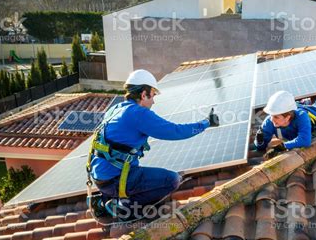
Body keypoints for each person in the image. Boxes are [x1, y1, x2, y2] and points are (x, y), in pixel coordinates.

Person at [87, 69, 219, 218]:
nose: (154, 101)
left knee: (144, 171)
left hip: (100, 179)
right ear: (144, 94)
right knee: (172, 180)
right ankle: (123, 207)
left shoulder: (115, 109)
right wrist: (205, 123)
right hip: (116, 181)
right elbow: (175, 131)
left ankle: (106, 198)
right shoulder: (138, 113)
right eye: (153, 95)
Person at [255, 80, 316, 159]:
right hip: (296, 108)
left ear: (288, 117)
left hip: (313, 113)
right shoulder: (269, 121)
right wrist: (259, 141)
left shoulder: (302, 116)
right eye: (271, 115)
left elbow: (305, 140)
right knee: (299, 105)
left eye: (276, 117)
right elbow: (261, 147)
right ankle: (302, 103)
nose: (272, 119)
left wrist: (282, 146)